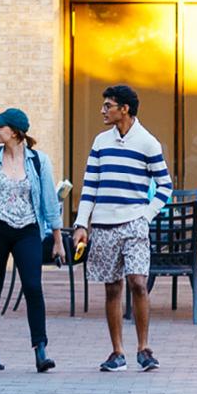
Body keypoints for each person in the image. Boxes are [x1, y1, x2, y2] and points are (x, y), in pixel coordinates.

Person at [73, 84, 172, 373]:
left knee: (138, 283)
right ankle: (117, 352)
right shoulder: (101, 142)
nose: (102, 110)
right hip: (103, 225)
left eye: (108, 105)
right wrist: (82, 224)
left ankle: (144, 348)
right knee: (112, 288)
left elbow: (165, 185)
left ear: (124, 109)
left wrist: (146, 215)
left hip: (134, 225)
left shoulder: (148, 143)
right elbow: (90, 185)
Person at [0, 108, 62, 372]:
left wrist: (57, 238)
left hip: (28, 230)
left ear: (16, 132)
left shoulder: (38, 161)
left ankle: (40, 349)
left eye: (0, 127)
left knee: (33, 286)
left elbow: (49, 202)